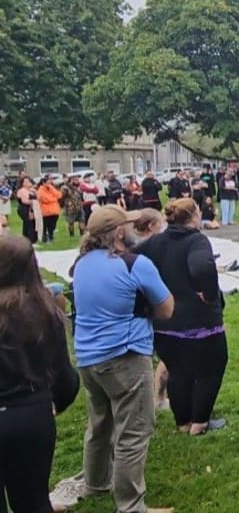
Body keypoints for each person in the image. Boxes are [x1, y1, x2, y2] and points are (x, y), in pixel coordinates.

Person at [70, 205, 175, 513]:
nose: (132, 229)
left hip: (88, 358)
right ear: (118, 233)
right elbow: (167, 308)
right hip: (125, 356)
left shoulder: (81, 264)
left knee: (100, 425)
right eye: (127, 226)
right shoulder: (135, 264)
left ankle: (95, 483)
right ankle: (130, 505)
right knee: (134, 430)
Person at [0, 236, 80, 513]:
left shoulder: (43, 309)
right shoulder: (44, 311)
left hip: (24, 408)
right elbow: (63, 374)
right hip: (29, 414)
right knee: (33, 500)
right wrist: (59, 400)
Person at [136, 198, 226, 436]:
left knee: (178, 371)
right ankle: (199, 421)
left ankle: (183, 421)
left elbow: (130, 260)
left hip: (165, 322)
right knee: (210, 369)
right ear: (194, 216)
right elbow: (202, 268)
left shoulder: (154, 243)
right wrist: (207, 294)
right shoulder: (196, 240)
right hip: (200, 321)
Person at [37, 175, 62, 244]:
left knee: (52, 226)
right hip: (46, 212)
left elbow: (59, 195)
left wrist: (51, 189)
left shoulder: (51, 188)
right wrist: (54, 198)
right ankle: (45, 239)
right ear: (43, 183)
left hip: (55, 211)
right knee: (46, 226)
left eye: (50, 183)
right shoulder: (40, 190)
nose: (49, 184)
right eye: (47, 183)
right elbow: (46, 199)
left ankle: (51, 237)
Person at [15, 175, 38, 243]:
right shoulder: (22, 190)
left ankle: (26, 238)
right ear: (22, 183)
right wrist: (34, 201)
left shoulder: (31, 190)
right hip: (24, 209)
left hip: (32, 208)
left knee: (30, 224)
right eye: (26, 181)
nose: (28, 183)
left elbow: (38, 198)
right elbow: (25, 201)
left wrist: (35, 192)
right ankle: (31, 240)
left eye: (29, 181)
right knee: (29, 224)